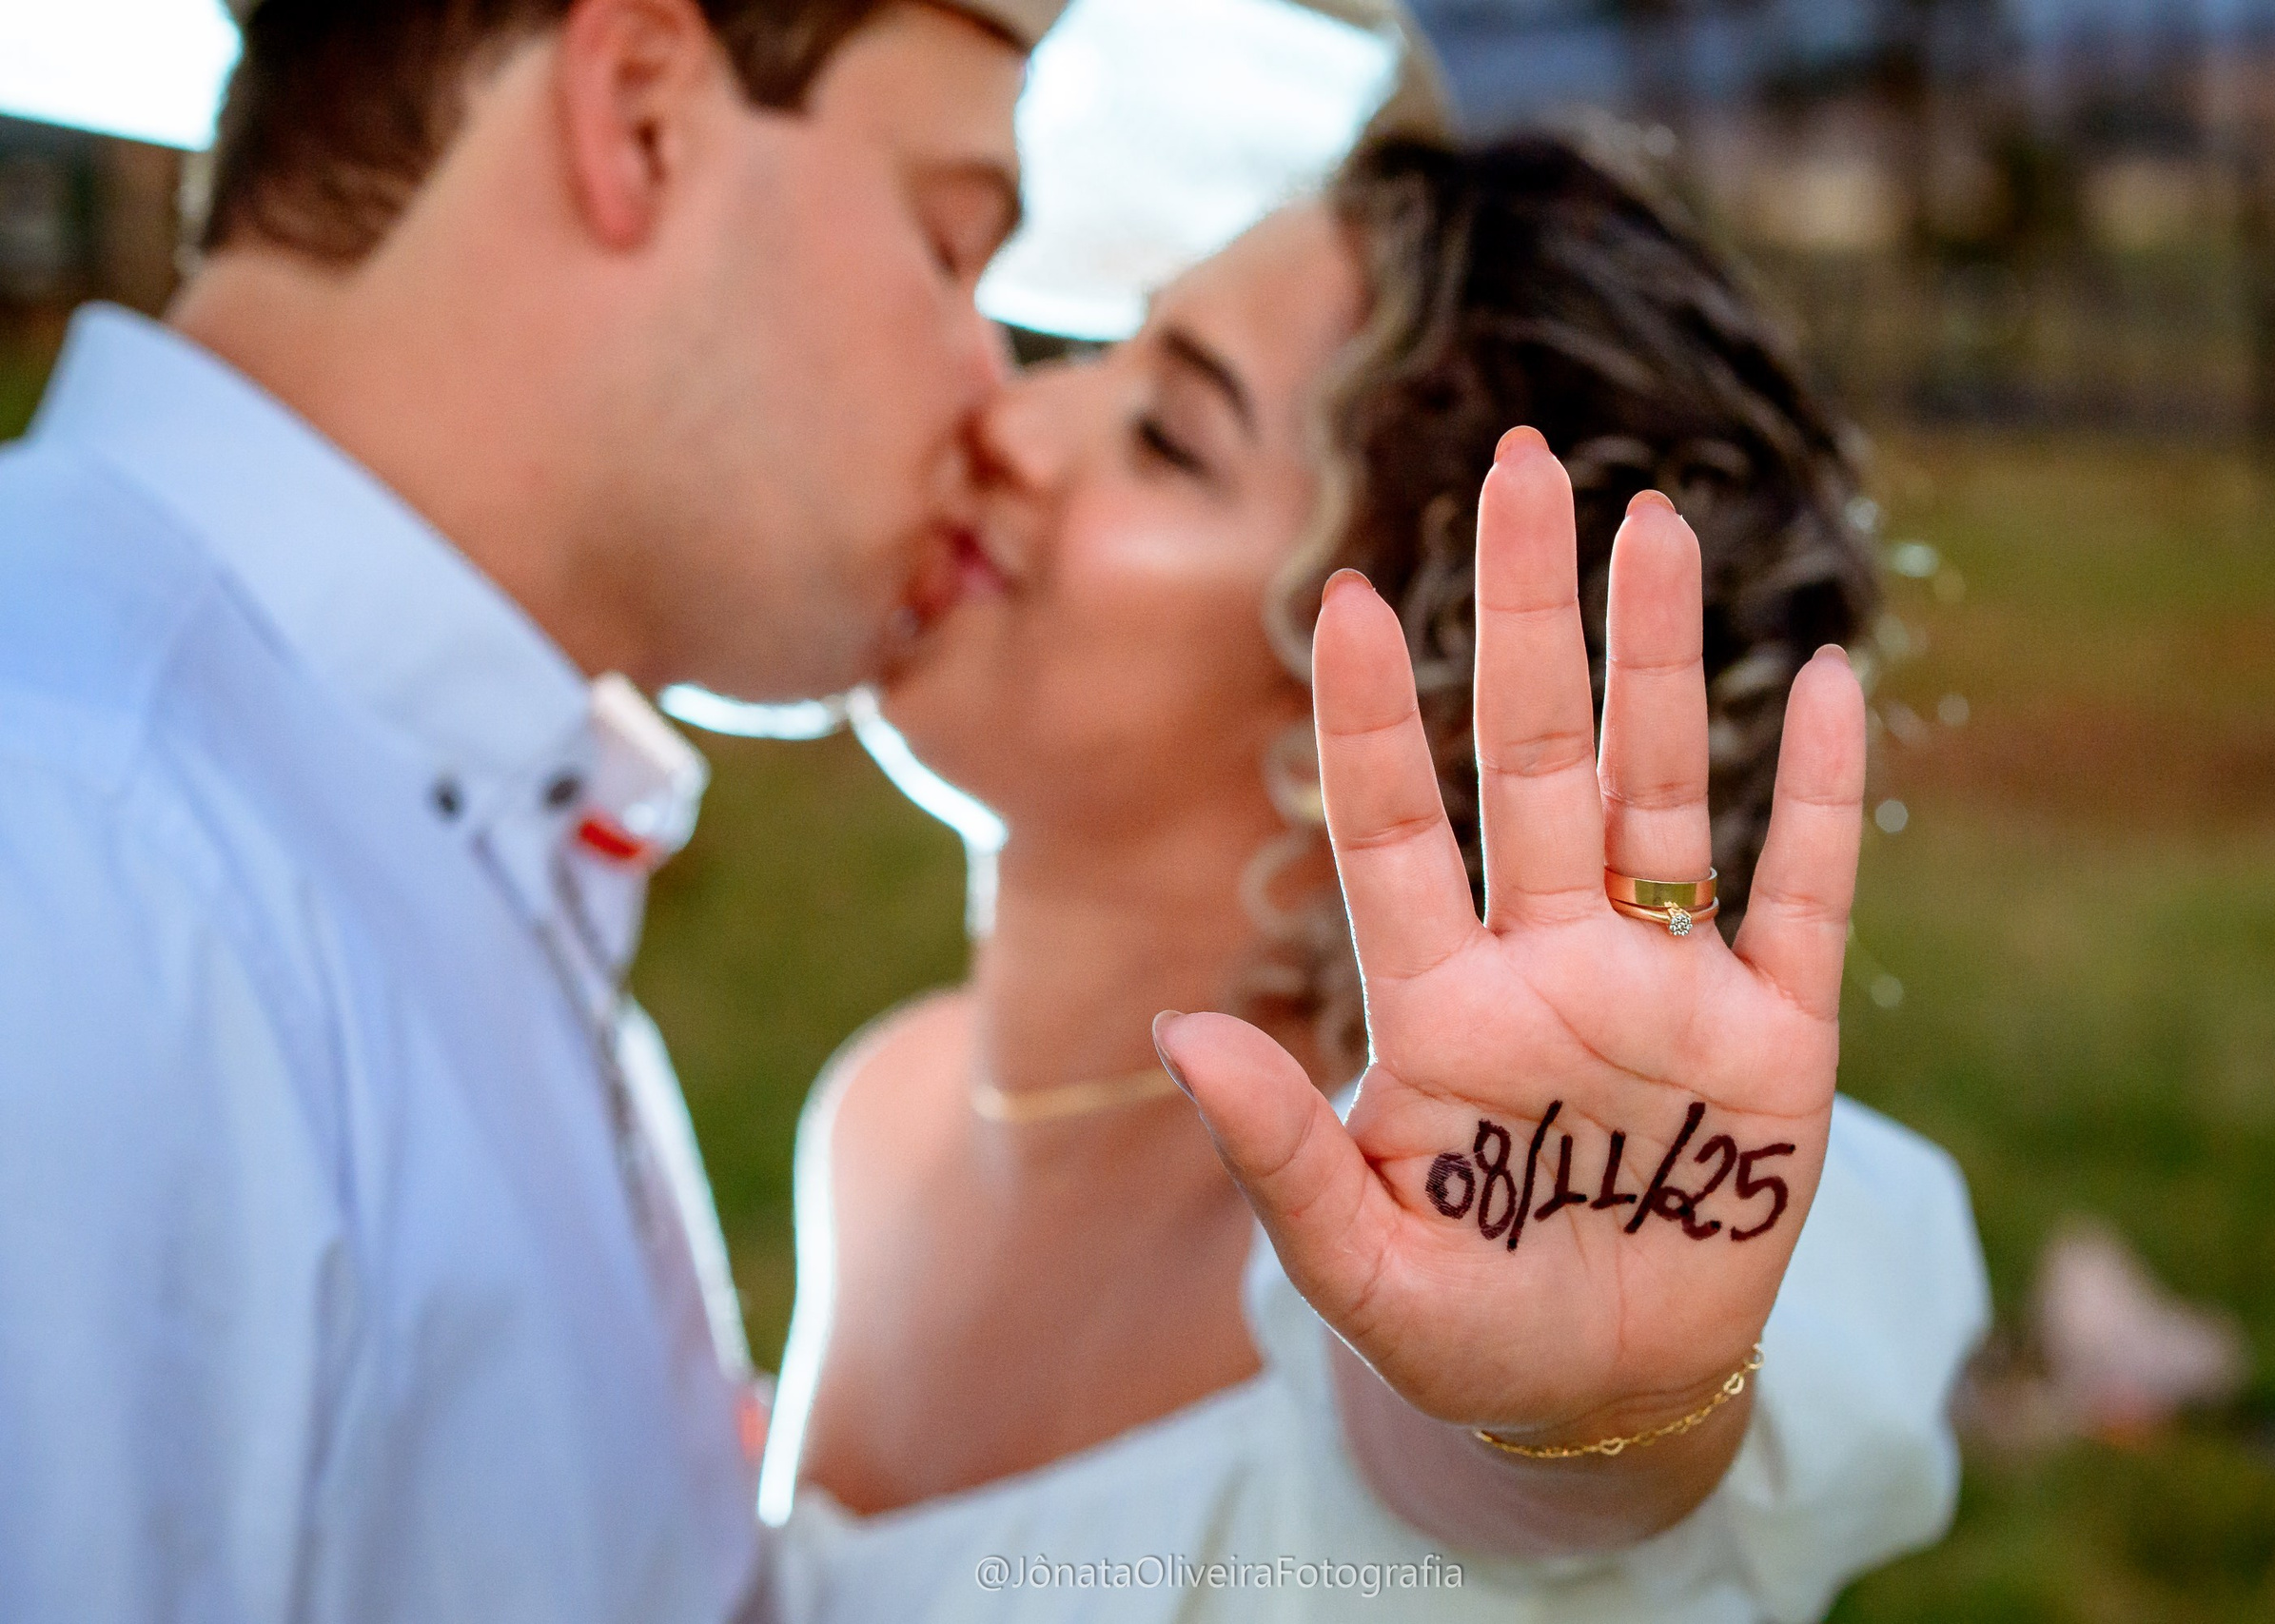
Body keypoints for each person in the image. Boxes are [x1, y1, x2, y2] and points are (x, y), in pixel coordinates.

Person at [762, 131, 1991, 1619]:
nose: (1013, 421)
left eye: (1168, 439)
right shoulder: (881, 1117)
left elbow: (1525, 1460)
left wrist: (1594, 1412)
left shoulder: (1438, 1203)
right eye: (1099, 351)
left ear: (1416, 701)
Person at [0, 1, 1063, 1617]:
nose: (997, 396)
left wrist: (1434, 1465)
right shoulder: (73, 843)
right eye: (950, 243)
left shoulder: (349, 827)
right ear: (640, 114)